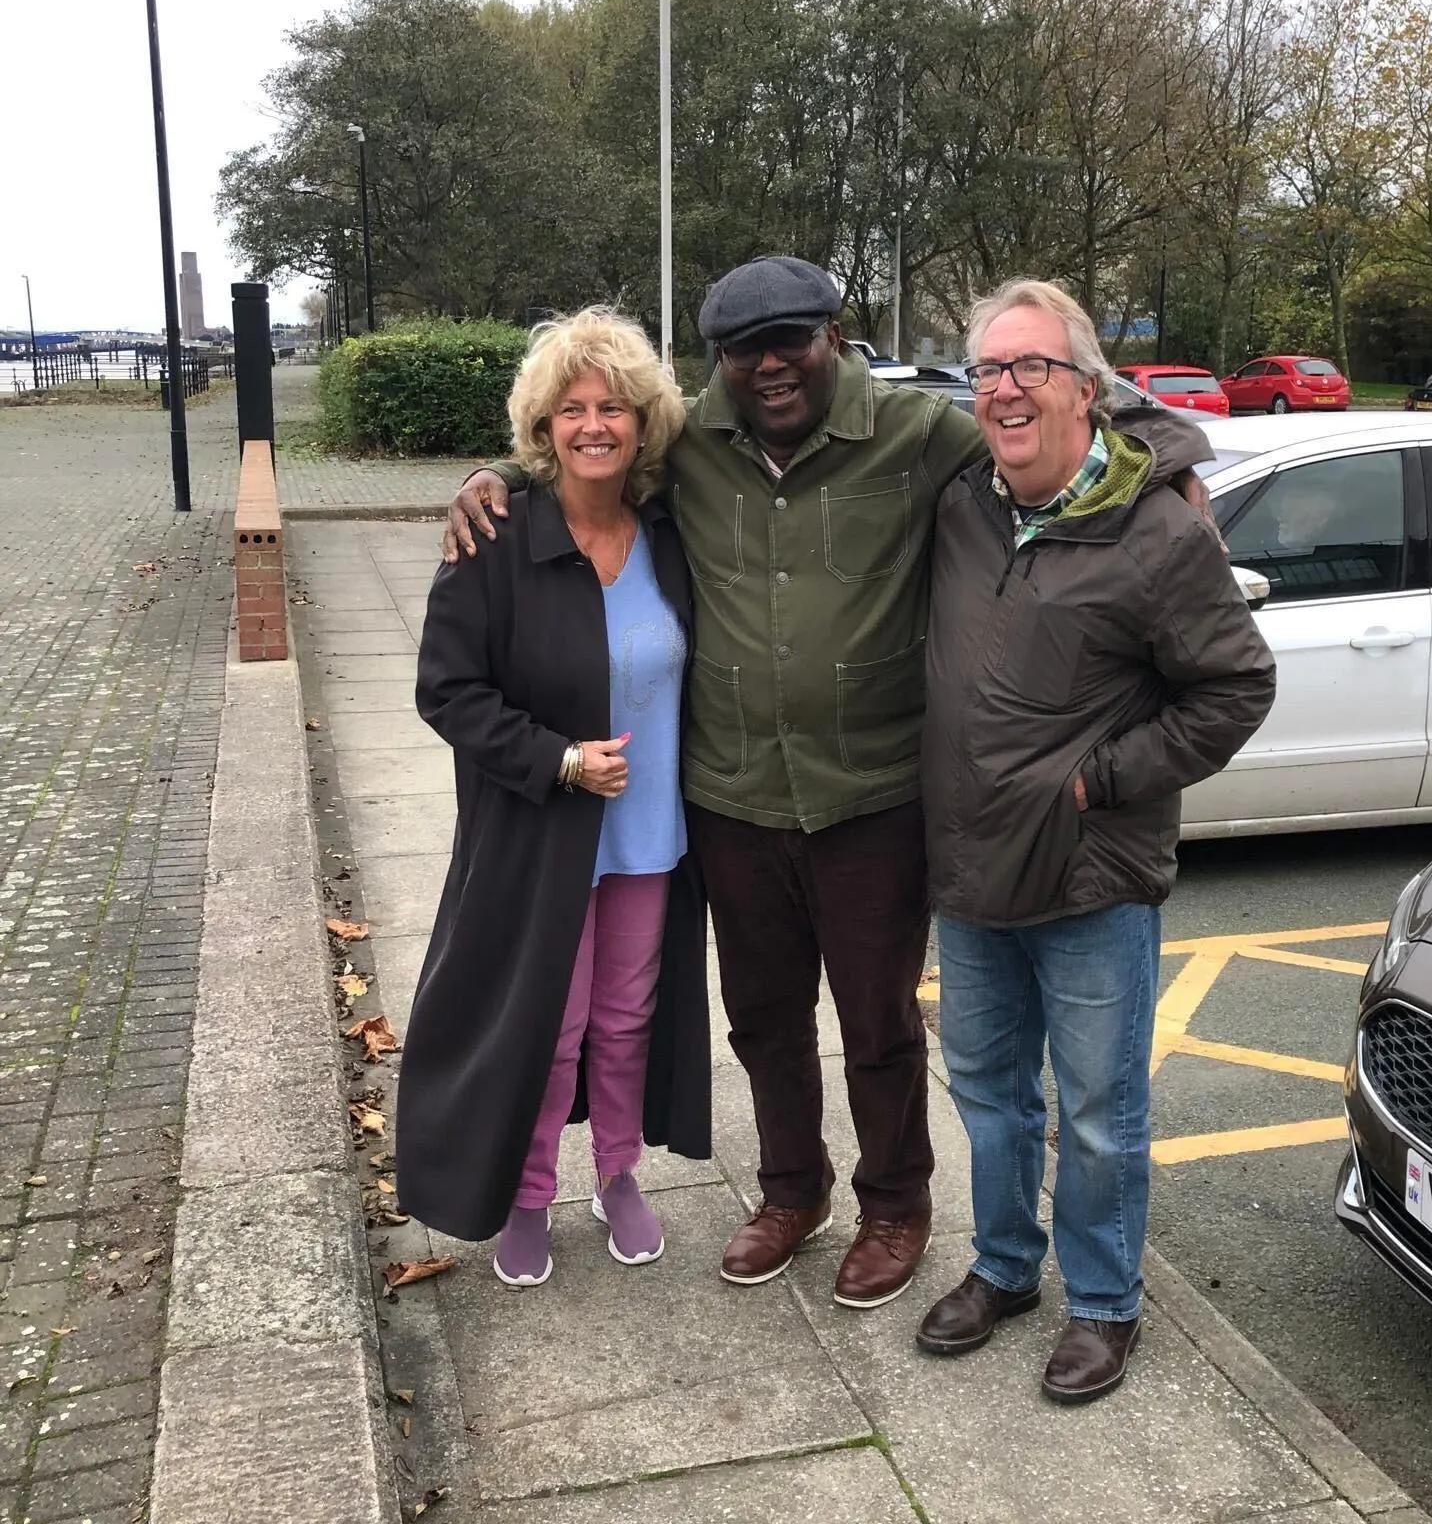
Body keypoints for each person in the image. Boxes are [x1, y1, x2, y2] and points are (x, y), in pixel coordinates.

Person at [441, 257, 1220, 1311]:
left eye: (789, 341)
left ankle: (894, 1204)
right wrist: (491, 478)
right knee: (762, 1021)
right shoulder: (694, 444)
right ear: (716, 362)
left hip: (873, 798)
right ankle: (790, 1192)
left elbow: (1058, 408)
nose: (767, 366)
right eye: (739, 350)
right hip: (731, 797)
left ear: (833, 335)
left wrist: (1175, 454)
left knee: (879, 1024)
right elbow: (584, 439)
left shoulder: (916, 433)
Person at [913, 279, 1276, 1402]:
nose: (1003, 389)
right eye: (986, 371)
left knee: (1101, 1112)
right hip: (971, 871)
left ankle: (1106, 1303)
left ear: (1085, 388)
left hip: (1089, 875)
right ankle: (1006, 1266)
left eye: (1028, 367)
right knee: (987, 1089)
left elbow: (1234, 687)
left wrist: (1102, 780)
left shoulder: (1158, 528)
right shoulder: (963, 501)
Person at [395, 308, 711, 1289]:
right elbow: (445, 688)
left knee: (625, 1020)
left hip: (650, 834)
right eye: (572, 408)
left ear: (641, 421)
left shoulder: (669, 533)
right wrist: (558, 759)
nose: (593, 425)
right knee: (550, 1022)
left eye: (612, 404)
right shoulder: (498, 534)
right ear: (543, 425)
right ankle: (531, 1192)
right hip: (542, 835)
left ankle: (617, 1174)